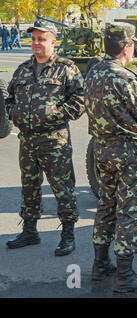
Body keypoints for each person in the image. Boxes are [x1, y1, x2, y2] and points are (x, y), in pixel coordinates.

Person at [84, 22, 137, 293]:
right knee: (131, 211)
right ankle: (125, 275)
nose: (134, 48)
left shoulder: (93, 73)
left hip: (102, 148)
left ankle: (100, 264)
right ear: (126, 48)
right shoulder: (125, 78)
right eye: (133, 44)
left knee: (106, 205)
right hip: (126, 152)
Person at [5, 21, 84, 256]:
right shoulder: (22, 69)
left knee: (63, 188)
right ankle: (30, 231)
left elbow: (80, 100)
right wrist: (14, 113)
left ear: (53, 42)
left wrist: (56, 115)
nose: (36, 43)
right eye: (34, 39)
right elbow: (9, 99)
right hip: (27, 141)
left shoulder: (66, 68)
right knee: (29, 187)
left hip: (54, 141)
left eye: (41, 39)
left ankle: (68, 235)